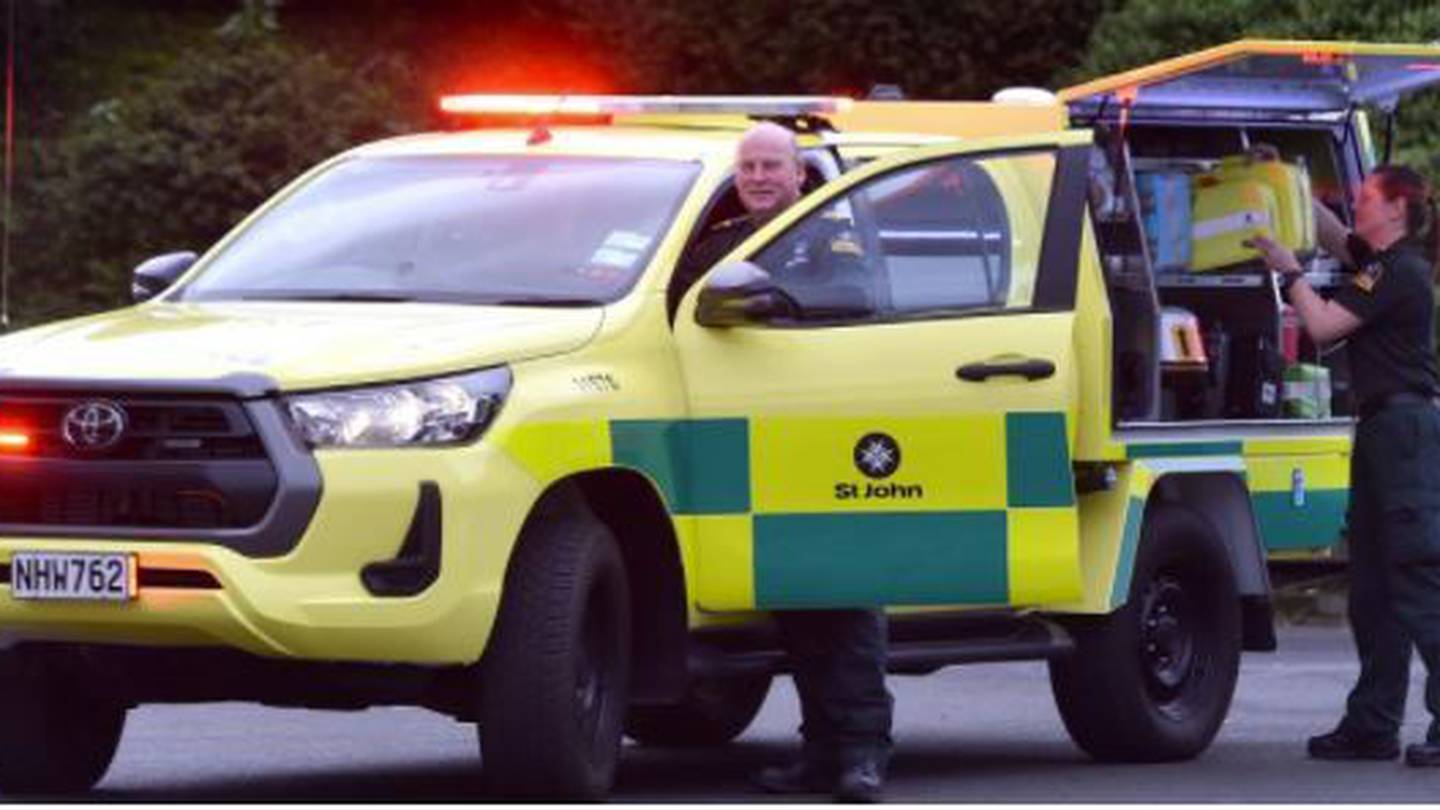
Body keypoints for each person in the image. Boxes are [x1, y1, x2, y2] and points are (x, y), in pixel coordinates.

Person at [676, 122, 893, 801]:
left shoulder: (833, 238)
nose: (761, 176)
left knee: (847, 598)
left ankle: (863, 755)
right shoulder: (718, 245)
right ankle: (821, 752)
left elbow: (856, 297)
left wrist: (780, 299)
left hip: (831, 434)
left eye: (773, 164)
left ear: (801, 174)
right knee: (798, 607)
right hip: (756, 442)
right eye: (749, 166)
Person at [1249, 164, 1440, 768]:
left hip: (1404, 432)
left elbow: (1324, 326)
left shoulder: (1399, 271)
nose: (1356, 204)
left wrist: (1291, 273)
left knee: (1417, 580)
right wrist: (1287, 185)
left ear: (1395, 208)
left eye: (1366, 198)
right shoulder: (1380, 264)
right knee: (1375, 591)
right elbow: (1336, 237)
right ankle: (1372, 724)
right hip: (1383, 430)